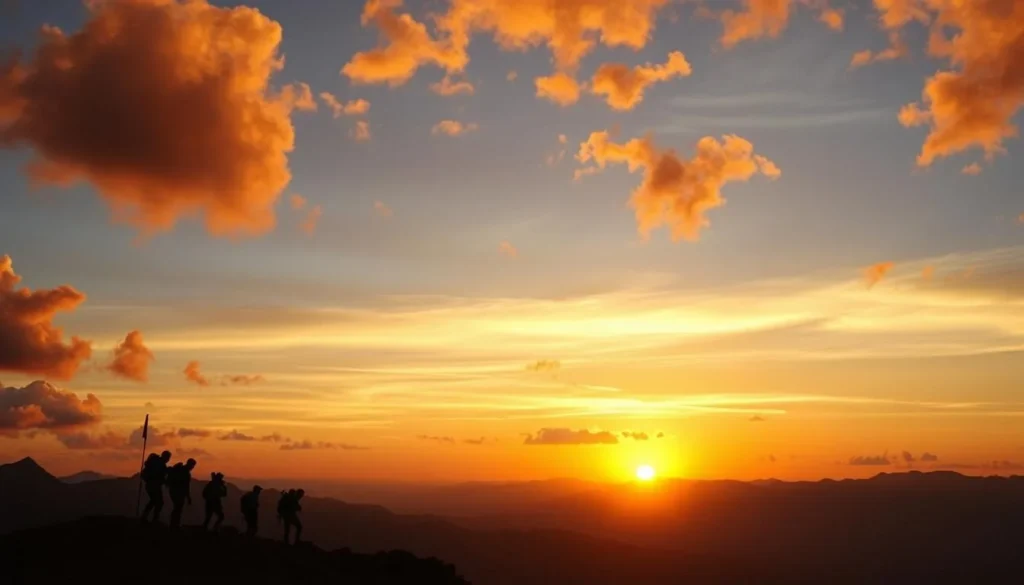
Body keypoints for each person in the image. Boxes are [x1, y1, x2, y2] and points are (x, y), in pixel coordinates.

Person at [139, 450, 172, 524]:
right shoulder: (160, 464)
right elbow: (158, 475)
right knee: (158, 502)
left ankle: (145, 516)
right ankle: (154, 519)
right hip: (154, 486)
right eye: (168, 457)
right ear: (165, 457)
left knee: (154, 501)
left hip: (151, 485)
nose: (168, 459)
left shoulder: (157, 462)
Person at [166, 458, 196, 529]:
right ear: (190, 464)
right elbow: (186, 486)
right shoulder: (186, 473)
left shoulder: (180, 469)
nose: (193, 467)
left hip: (173, 491)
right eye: (193, 465)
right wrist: (188, 497)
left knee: (177, 508)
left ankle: (173, 524)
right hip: (178, 492)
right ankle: (174, 525)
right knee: (178, 508)